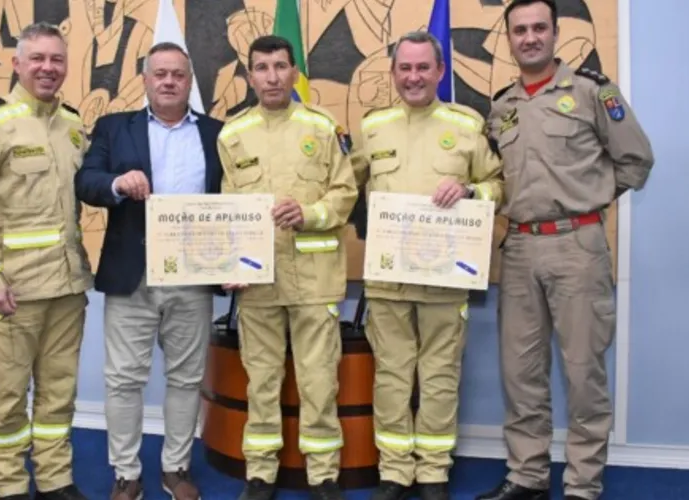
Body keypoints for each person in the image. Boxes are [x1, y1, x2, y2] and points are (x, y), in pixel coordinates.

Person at [475, 1, 655, 500]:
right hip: (519, 251)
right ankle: (528, 476)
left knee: (582, 372)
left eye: (539, 28)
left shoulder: (592, 91)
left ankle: (581, 484)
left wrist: (589, 198)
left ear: (554, 33)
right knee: (521, 371)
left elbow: (636, 160)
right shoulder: (501, 107)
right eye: (520, 30)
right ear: (508, 37)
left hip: (578, 247)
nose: (529, 37)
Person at [349, 31, 505, 500]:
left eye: (423, 67)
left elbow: (497, 183)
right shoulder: (373, 127)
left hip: (445, 279)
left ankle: (433, 471)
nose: (413, 76)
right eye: (405, 68)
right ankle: (396, 471)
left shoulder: (466, 123)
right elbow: (343, 185)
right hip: (388, 280)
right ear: (393, 73)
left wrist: (473, 192)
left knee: (439, 377)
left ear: (440, 71)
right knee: (393, 376)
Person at [73, 41, 225, 500]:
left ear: (190, 80)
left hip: (192, 277)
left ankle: (176, 467)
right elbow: (87, 181)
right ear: (144, 79)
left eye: (178, 74)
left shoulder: (217, 134)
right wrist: (118, 183)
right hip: (131, 275)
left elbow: (236, 202)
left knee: (186, 378)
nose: (169, 81)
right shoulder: (114, 128)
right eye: (160, 73)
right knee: (123, 380)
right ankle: (126, 472)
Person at [0, 22, 93, 500]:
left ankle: (55, 479)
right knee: (9, 399)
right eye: (37, 59)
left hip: (68, 287)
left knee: (59, 393)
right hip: (15, 291)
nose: (47, 68)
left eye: (56, 59)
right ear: (17, 63)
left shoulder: (74, 124)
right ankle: (10, 484)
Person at [218, 35, 358, 500]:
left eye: (280, 66)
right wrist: (226, 262)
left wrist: (309, 214)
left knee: (320, 381)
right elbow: (226, 211)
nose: (272, 76)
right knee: (262, 381)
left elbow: (343, 193)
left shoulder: (321, 127)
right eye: (262, 67)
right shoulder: (232, 134)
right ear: (250, 74)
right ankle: (261, 473)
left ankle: (324, 475)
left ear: (295, 71)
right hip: (258, 284)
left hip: (314, 281)